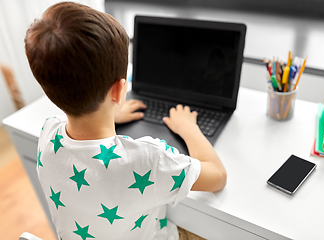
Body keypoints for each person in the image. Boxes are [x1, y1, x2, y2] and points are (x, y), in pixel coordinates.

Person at [24, 2, 226, 240]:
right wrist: (190, 128)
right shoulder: (148, 160)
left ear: (48, 90)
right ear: (119, 90)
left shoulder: (48, 133)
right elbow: (218, 177)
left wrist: (108, 112)